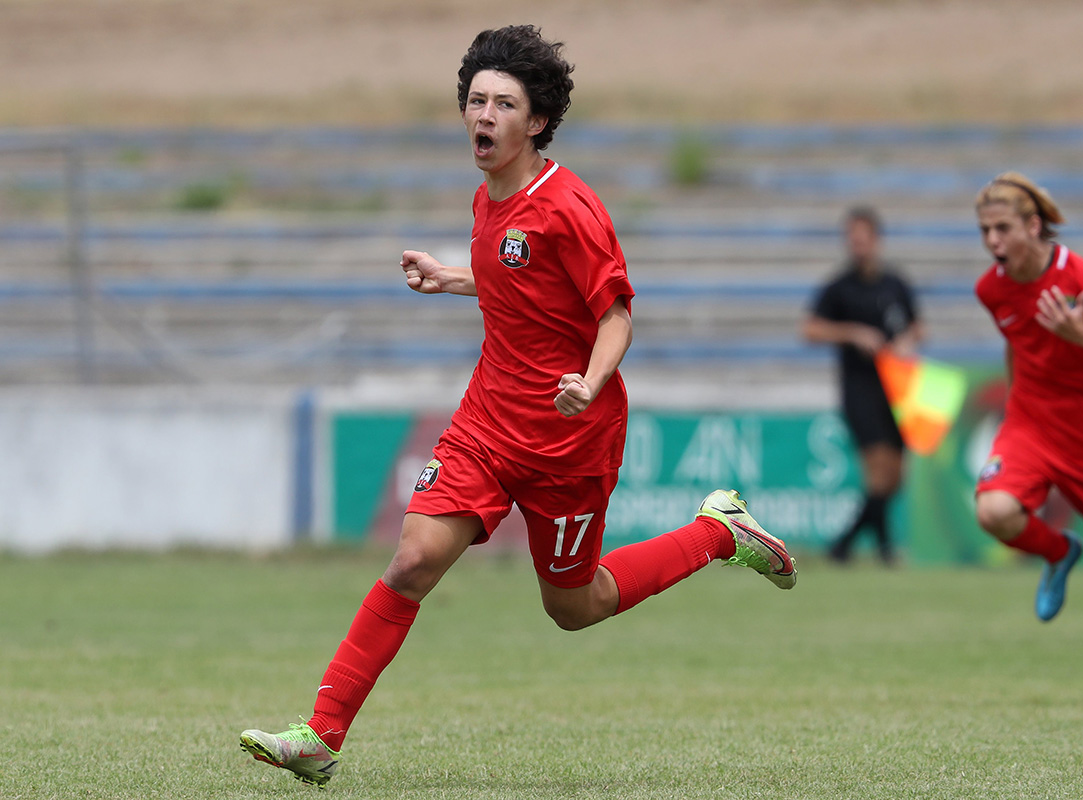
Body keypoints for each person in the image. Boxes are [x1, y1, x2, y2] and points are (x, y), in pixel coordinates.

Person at [238, 25, 797, 787]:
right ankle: (321, 734)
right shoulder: (487, 199)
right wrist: (451, 276)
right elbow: (515, 274)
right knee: (413, 560)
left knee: (575, 606)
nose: (485, 114)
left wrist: (591, 383)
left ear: (536, 121)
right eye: (476, 100)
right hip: (487, 424)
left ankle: (716, 533)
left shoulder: (571, 207)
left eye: (504, 102)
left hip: (571, 437)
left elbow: (616, 314)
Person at [972, 171, 1083, 707]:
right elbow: (1017, 342)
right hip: (1031, 422)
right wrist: (1014, 406)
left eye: (1002, 229)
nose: (992, 242)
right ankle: (1058, 552)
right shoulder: (991, 288)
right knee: (994, 512)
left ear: (1033, 226)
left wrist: (1081, 335)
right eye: (984, 231)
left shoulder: (1080, 280)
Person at [803, 206, 923, 565]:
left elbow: (919, 326)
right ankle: (876, 550)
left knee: (896, 476)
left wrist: (905, 341)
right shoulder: (840, 288)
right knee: (879, 469)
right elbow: (809, 329)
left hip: (898, 388)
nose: (857, 246)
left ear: (876, 240)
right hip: (859, 388)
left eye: (862, 239)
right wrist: (852, 333)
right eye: (851, 240)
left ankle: (847, 545)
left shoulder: (895, 284)